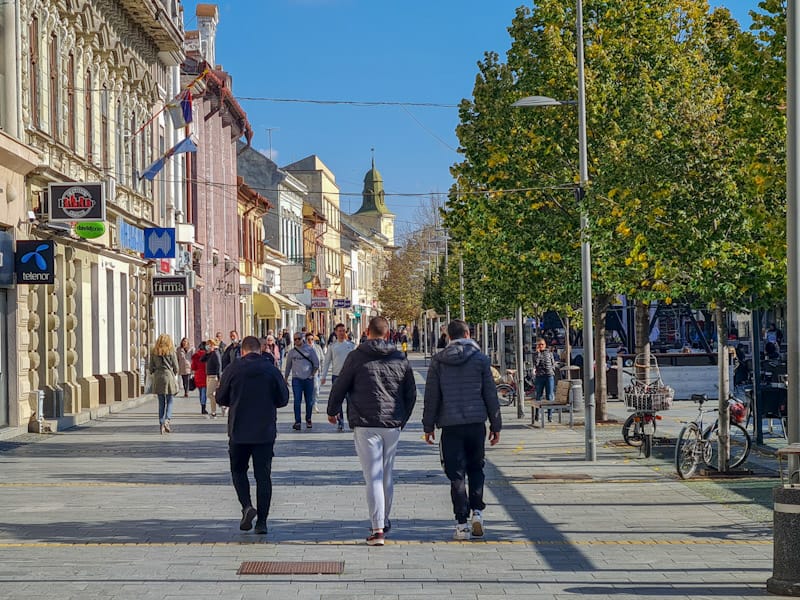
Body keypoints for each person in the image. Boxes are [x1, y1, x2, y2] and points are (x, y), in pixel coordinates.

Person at [326, 316, 417, 546]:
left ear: (367, 331)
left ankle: (377, 530)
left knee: (372, 476)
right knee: (386, 473)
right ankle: (384, 519)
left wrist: (332, 410)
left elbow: (341, 384)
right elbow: (411, 393)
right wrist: (401, 420)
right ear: (387, 334)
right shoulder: (400, 358)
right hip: (392, 424)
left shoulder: (357, 356)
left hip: (366, 423)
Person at [423, 319, 501, 540]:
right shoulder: (481, 360)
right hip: (476, 424)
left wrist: (428, 426)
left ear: (448, 336)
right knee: (476, 468)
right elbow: (490, 395)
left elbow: (432, 397)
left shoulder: (438, 361)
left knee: (456, 474)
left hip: (450, 426)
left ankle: (461, 523)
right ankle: (477, 511)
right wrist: (496, 425)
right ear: (468, 333)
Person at [216, 336, 289, 535]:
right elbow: (283, 399)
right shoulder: (271, 369)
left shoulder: (233, 369)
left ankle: (247, 506)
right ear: (260, 349)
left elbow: (220, 397)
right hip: (264, 431)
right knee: (263, 476)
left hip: (239, 430)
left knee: (238, 471)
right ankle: (262, 523)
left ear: (242, 351)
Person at [320, 323, 357, 431]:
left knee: (351, 400)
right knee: (338, 401)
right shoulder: (332, 346)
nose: (341, 333)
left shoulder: (351, 345)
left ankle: (352, 421)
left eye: (343, 331)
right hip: (337, 377)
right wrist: (323, 376)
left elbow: (356, 362)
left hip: (350, 376)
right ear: (335, 332)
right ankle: (340, 422)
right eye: (339, 331)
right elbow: (327, 362)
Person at [284, 332, 319, 430]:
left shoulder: (310, 350)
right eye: (294, 339)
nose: (296, 341)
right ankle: (297, 421)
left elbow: (316, 363)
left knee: (309, 401)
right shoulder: (292, 352)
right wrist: (285, 378)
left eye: (298, 339)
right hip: (297, 379)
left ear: (302, 338)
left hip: (308, 379)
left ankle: (308, 419)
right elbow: (288, 366)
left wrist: (312, 375)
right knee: (297, 400)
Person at [148, 334, 179, 434]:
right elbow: (176, 367)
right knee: (170, 400)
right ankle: (167, 420)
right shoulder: (171, 351)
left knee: (161, 402)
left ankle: (161, 424)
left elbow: (150, 367)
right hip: (168, 376)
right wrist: (173, 373)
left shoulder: (154, 352)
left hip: (158, 377)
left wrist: (154, 371)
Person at [532, 337, 557, 422]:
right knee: (538, 395)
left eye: (542, 344)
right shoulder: (535, 354)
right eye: (539, 345)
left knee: (549, 395)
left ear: (545, 345)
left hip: (549, 376)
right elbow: (536, 363)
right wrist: (538, 354)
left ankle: (550, 416)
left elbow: (553, 362)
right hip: (540, 376)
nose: (541, 346)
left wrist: (552, 369)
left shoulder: (549, 353)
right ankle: (537, 414)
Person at [201, 339, 222, 418]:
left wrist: (219, 378)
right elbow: (202, 360)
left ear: (213, 345)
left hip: (214, 376)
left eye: (209, 345)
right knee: (211, 394)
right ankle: (215, 410)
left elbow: (219, 366)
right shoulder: (210, 354)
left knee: (209, 394)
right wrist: (207, 353)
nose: (208, 346)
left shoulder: (216, 353)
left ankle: (214, 411)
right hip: (208, 376)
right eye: (207, 345)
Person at [306, 333, 325, 413]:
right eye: (308, 339)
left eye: (312, 339)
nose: (310, 341)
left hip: (316, 372)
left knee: (316, 389)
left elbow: (322, 359)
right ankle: (310, 404)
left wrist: (322, 369)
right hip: (306, 373)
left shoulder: (317, 348)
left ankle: (315, 404)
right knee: (309, 390)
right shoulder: (303, 349)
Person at [191, 342, 209, 414]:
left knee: (201, 392)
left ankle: (202, 406)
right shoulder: (208, 355)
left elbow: (193, 367)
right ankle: (203, 408)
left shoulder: (196, 356)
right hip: (205, 375)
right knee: (204, 392)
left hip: (198, 375)